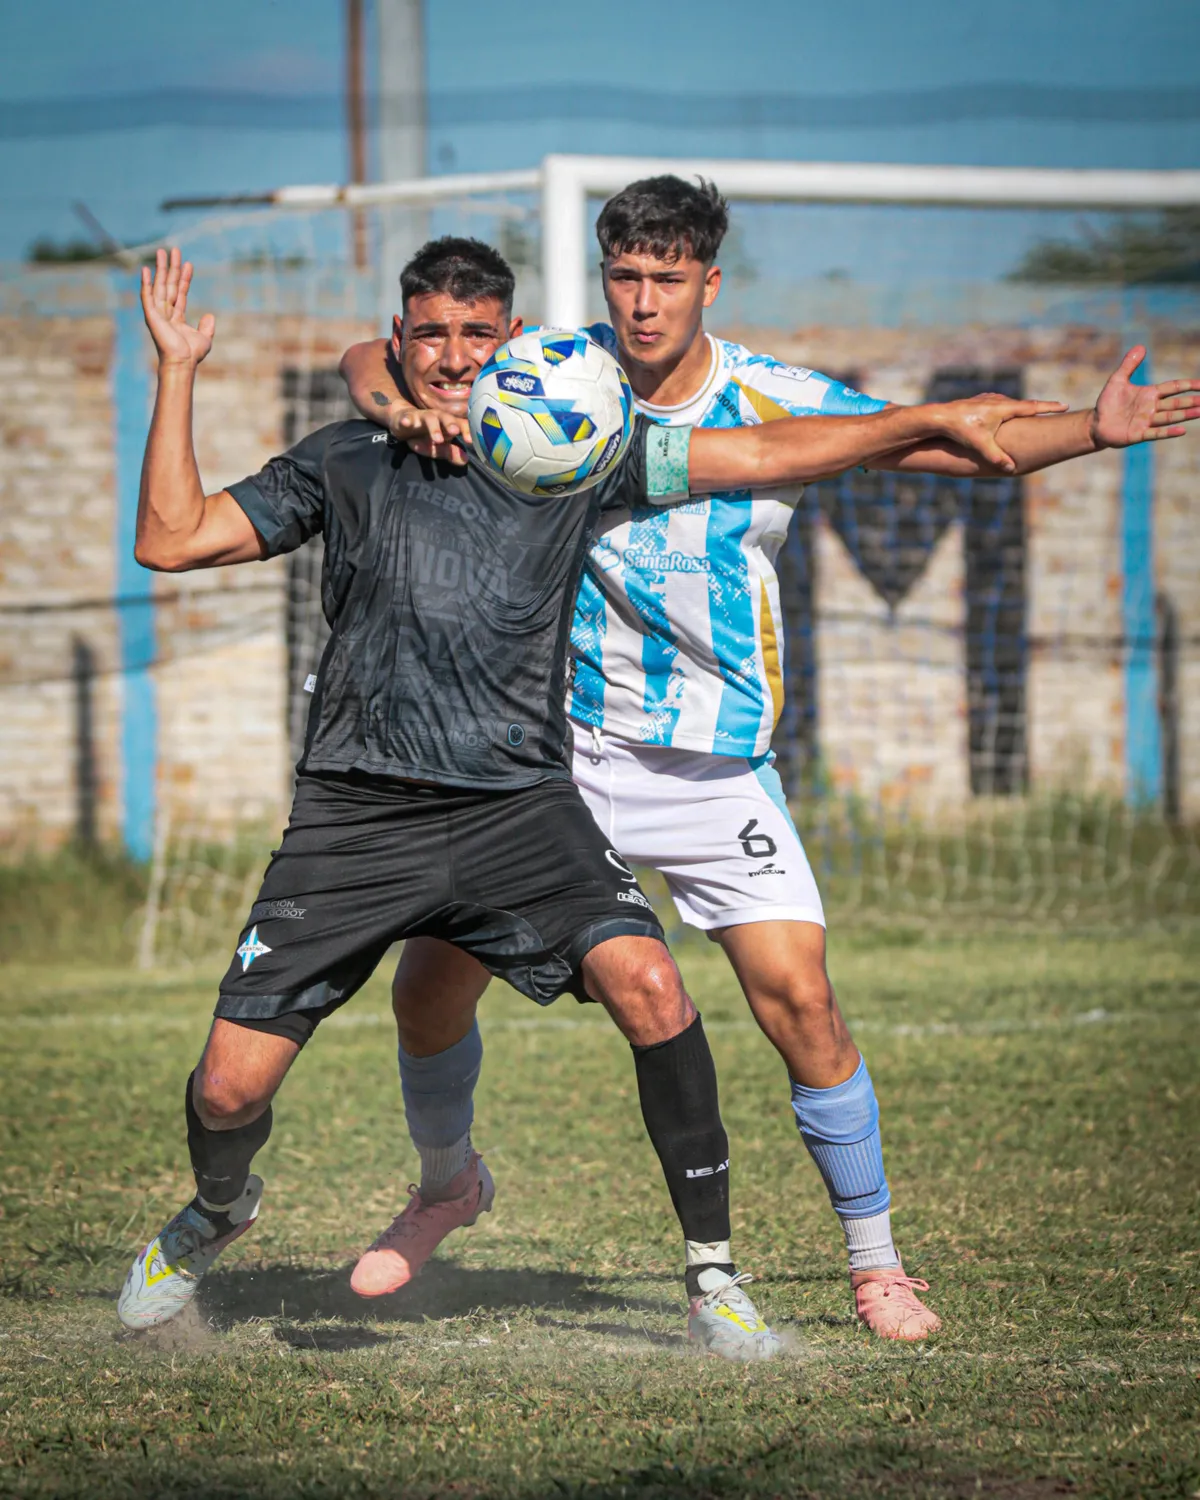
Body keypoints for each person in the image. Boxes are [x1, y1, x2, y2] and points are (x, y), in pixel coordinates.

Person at [116, 238, 1052, 1358]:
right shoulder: (347, 458)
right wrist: (178, 371)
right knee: (228, 1092)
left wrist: (928, 420)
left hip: (516, 805)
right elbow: (169, 540)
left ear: (510, 343)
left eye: (476, 335)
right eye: (429, 335)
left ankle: (713, 1279)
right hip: (356, 813)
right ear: (398, 340)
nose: (453, 358)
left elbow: (763, 450)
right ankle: (220, 1208)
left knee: (652, 985)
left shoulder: (575, 454)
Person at [340, 182, 1200, 1341]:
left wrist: (1092, 427)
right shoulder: (557, 371)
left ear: (710, 281)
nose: (643, 303)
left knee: (804, 1004)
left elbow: (958, 438)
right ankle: (449, 1185)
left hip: (713, 767)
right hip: (556, 756)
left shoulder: (775, 398)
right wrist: (399, 411)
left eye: (667, 279)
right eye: (625, 277)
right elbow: (371, 357)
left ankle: (877, 1265)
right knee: (429, 983)